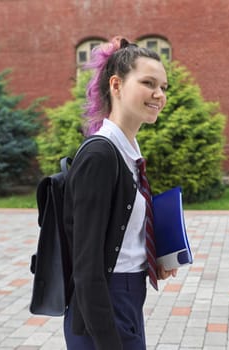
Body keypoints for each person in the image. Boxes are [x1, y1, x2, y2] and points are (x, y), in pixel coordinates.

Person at [62, 36, 177, 350]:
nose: (159, 95)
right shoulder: (100, 156)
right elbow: (86, 267)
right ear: (116, 84)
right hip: (103, 305)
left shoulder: (128, 152)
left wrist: (149, 258)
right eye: (148, 83)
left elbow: (120, 231)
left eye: (164, 87)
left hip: (127, 295)